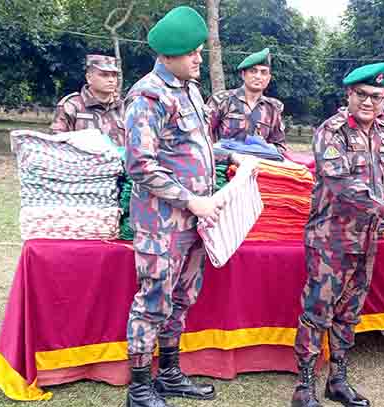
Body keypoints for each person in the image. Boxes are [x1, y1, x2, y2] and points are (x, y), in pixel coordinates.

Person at [123, 6, 246, 407]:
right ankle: (140, 387)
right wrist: (192, 199)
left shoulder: (189, 90)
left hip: (196, 220)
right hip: (163, 223)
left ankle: (170, 373)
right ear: (170, 55)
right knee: (154, 298)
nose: (199, 59)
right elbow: (140, 164)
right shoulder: (147, 95)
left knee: (183, 296)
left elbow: (197, 146)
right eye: (193, 53)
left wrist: (229, 155)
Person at [291, 61, 384, 407]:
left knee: (349, 313)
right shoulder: (331, 131)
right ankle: (304, 386)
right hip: (330, 239)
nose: (368, 102)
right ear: (349, 94)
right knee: (317, 311)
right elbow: (342, 185)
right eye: (361, 95)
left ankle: (338, 381)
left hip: (367, 240)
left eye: (376, 97)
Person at [207, 48, 287, 153]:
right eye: (253, 71)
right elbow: (204, 136)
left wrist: (264, 151)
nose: (258, 76)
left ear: (268, 78)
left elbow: (280, 146)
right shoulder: (222, 101)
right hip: (223, 164)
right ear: (243, 75)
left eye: (263, 72)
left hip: (257, 165)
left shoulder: (272, 108)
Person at [50, 54, 125, 146]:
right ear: (89, 78)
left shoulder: (123, 107)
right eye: (104, 75)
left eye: (114, 76)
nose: (111, 80)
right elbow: (57, 144)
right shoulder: (71, 106)